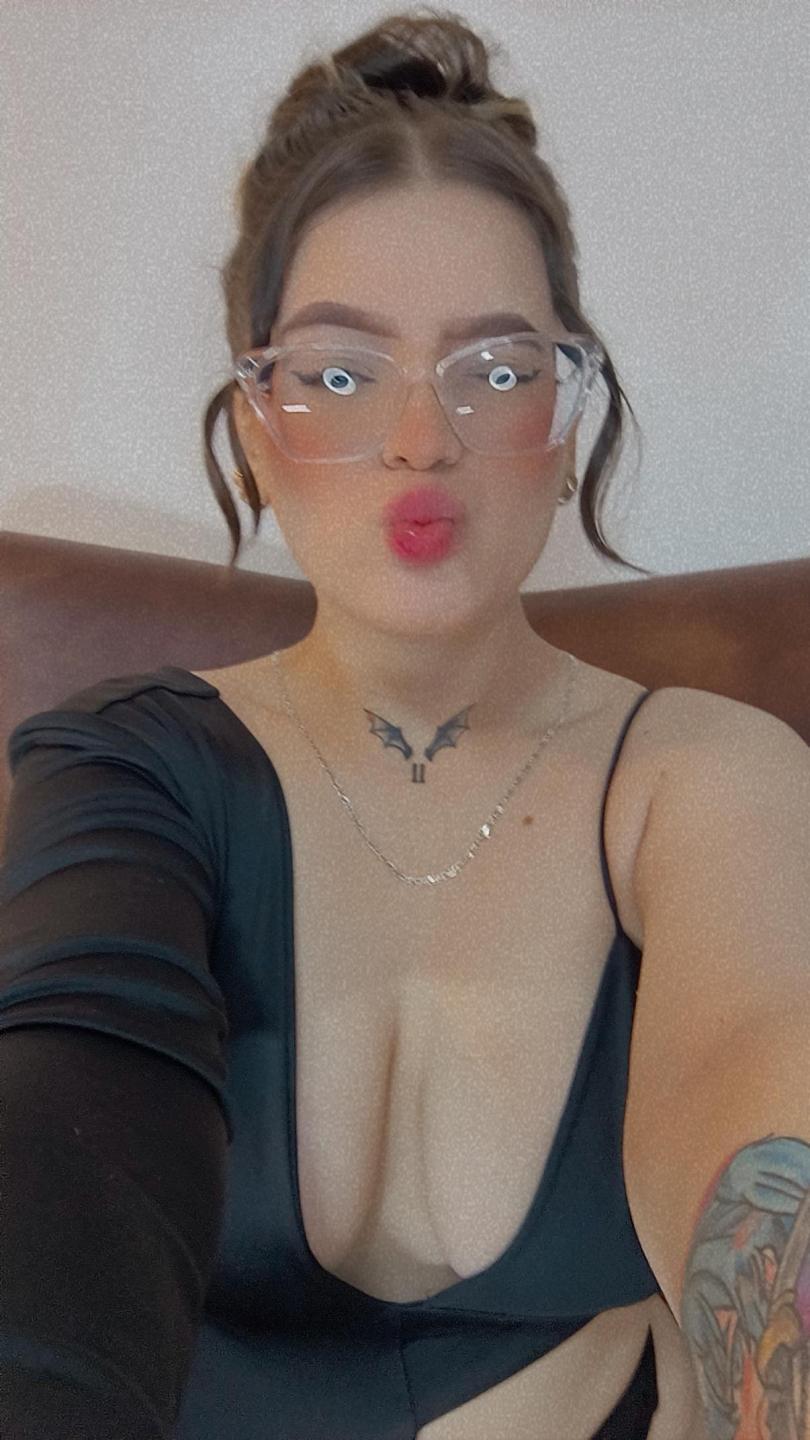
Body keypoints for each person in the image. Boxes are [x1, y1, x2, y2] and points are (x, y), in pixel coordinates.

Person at [0, 9, 707, 1438]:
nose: (419, 440)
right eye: (337, 371)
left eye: (495, 368)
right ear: (257, 421)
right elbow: (69, 1101)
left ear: (566, 411)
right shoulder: (124, 765)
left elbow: (772, 1111)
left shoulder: (704, 774)